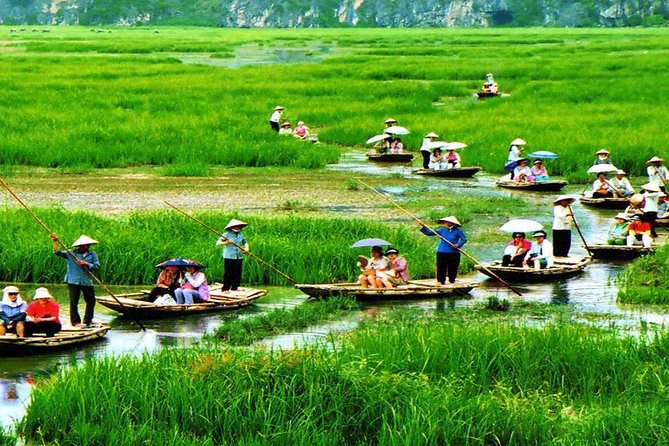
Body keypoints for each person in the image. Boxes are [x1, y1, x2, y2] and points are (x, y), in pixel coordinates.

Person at [51, 234, 99, 328]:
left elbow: (96, 266)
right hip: (73, 281)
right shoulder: (71, 253)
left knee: (91, 301)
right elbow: (57, 252)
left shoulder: (92, 254)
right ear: (80, 245)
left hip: (86, 281)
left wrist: (86, 263)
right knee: (74, 302)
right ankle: (75, 322)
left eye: (89, 244)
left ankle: (88, 321)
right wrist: (55, 241)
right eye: (86, 244)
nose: (88, 246)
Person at [420, 216, 466, 285]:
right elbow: (430, 233)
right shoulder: (442, 230)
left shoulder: (458, 231)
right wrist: (423, 226)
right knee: (441, 267)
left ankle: (452, 280)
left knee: (453, 267)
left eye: (447, 222)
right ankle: (441, 281)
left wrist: (457, 245)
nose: (445, 223)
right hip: (442, 252)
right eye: (445, 222)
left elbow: (464, 239)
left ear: (452, 223)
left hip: (453, 252)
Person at [216, 219, 249, 292]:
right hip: (229, 256)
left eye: (239, 226)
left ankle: (235, 287)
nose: (238, 227)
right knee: (228, 273)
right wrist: (227, 242)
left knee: (237, 272)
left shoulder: (241, 234)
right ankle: (225, 288)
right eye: (237, 226)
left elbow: (245, 242)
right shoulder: (226, 234)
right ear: (232, 226)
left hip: (239, 256)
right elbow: (218, 243)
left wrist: (246, 249)